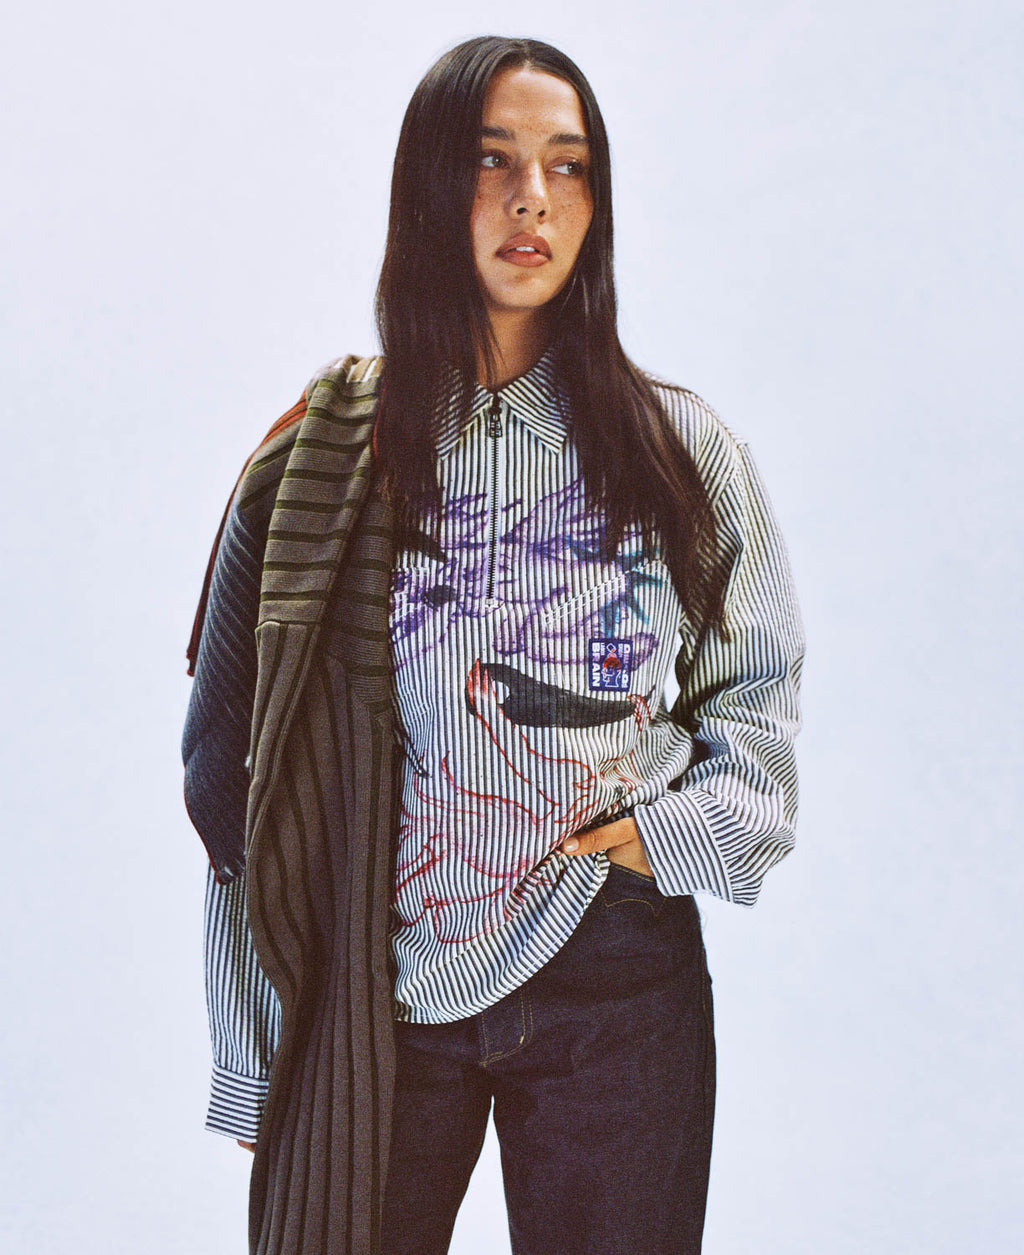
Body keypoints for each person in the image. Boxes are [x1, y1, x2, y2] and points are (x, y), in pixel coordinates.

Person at [182, 34, 804, 1255]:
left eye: (568, 166)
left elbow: (758, 703)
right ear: (427, 188)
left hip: (610, 968)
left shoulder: (680, 451)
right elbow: (243, 789)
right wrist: (254, 1056)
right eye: (491, 160)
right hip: (376, 988)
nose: (532, 198)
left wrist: (667, 837)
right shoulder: (318, 461)